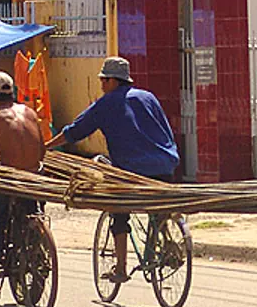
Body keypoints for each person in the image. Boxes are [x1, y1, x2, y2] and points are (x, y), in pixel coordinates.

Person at [45, 56, 178, 283]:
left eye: (104, 80)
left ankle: (121, 268)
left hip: (130, 170)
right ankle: (168, 241)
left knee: (118, 211)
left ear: (113, 81)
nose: (102, 85)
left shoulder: (106, 103)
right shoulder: (149, 97)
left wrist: (45, 147)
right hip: (165, 163)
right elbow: (165, 129)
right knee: (159, 207)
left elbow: (75, 131)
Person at [0, 71, 45, 300]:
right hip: (34, 180)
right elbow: (41, 150)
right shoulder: (30, 112)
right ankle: (38, 247)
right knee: (32, 212)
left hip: (9, 180)